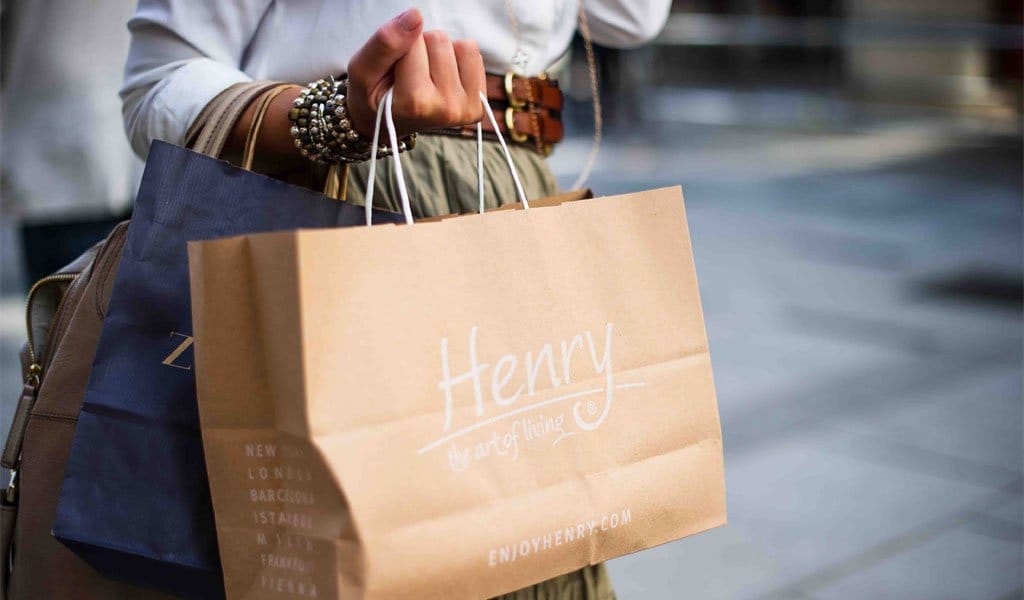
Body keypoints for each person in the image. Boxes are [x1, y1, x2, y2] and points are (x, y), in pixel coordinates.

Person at [121, 2, 670, 598]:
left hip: (509, 205)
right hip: (327, 201)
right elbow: (161, 83)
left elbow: (634, 17)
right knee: (331, 548)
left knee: (528, 546)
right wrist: (340, 117)